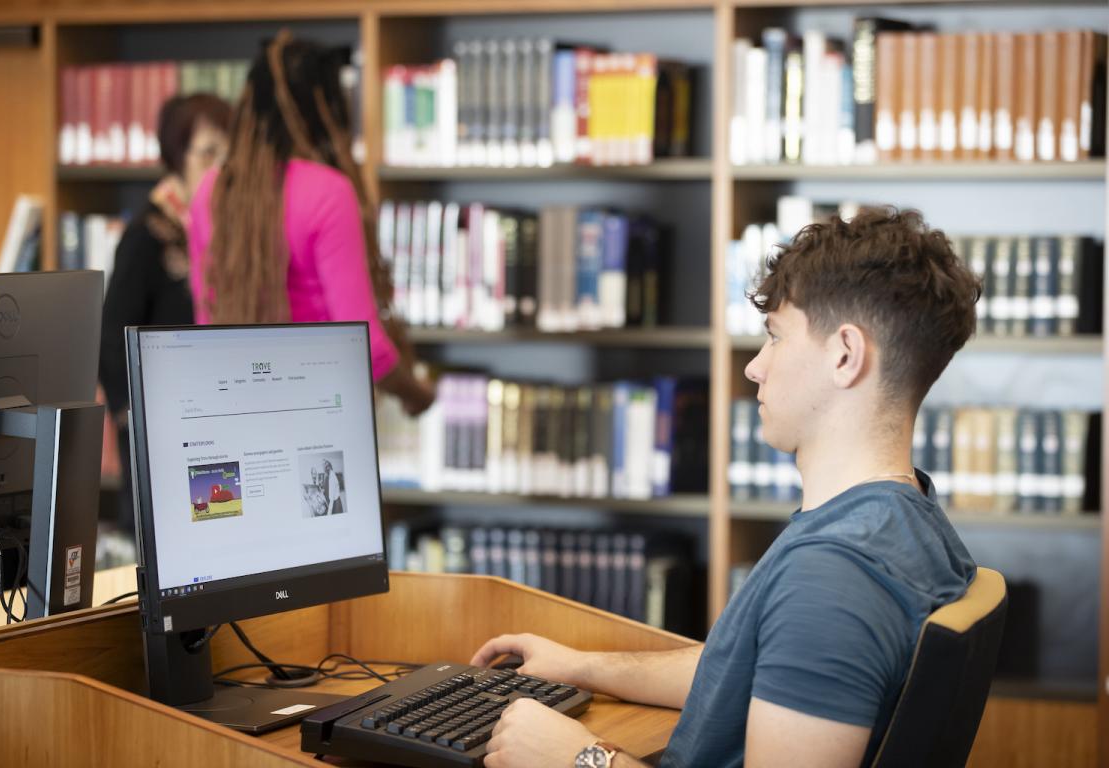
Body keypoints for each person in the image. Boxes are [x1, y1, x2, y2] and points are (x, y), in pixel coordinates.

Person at [471, 207, 981, 768]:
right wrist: (581, 667)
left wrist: (580, 758)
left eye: (775, 338)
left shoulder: (833, 578)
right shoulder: (907, 523)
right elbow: (747, 669)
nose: (753, 368)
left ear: (845, 354)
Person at [187, 31, 434, 416]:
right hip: (317, 417)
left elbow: (206, 322)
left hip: (237, 414)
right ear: (327, 108)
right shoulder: (328, 192)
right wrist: (417, 394)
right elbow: (365, 346)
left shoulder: (211, 192)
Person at [99, 93, 233, 535]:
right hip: (159, 435)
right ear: (177, 156)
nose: (220, 168)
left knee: (217, 533)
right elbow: (111, 338)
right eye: (208, 153)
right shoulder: (148, 235)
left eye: (229, 154)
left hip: (214, 422)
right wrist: (134, 422)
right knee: (164, 548)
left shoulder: (223, 234)